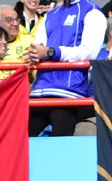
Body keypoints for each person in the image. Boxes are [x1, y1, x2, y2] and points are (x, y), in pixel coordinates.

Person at [26, 0, 105, 135]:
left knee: (61, 142)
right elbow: (39, 46)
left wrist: (52, 52)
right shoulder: (50, 15)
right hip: (40, 90)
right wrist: (33, 54)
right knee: (21, 140)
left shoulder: (93, 12)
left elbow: (89, 52)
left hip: (68, 92)